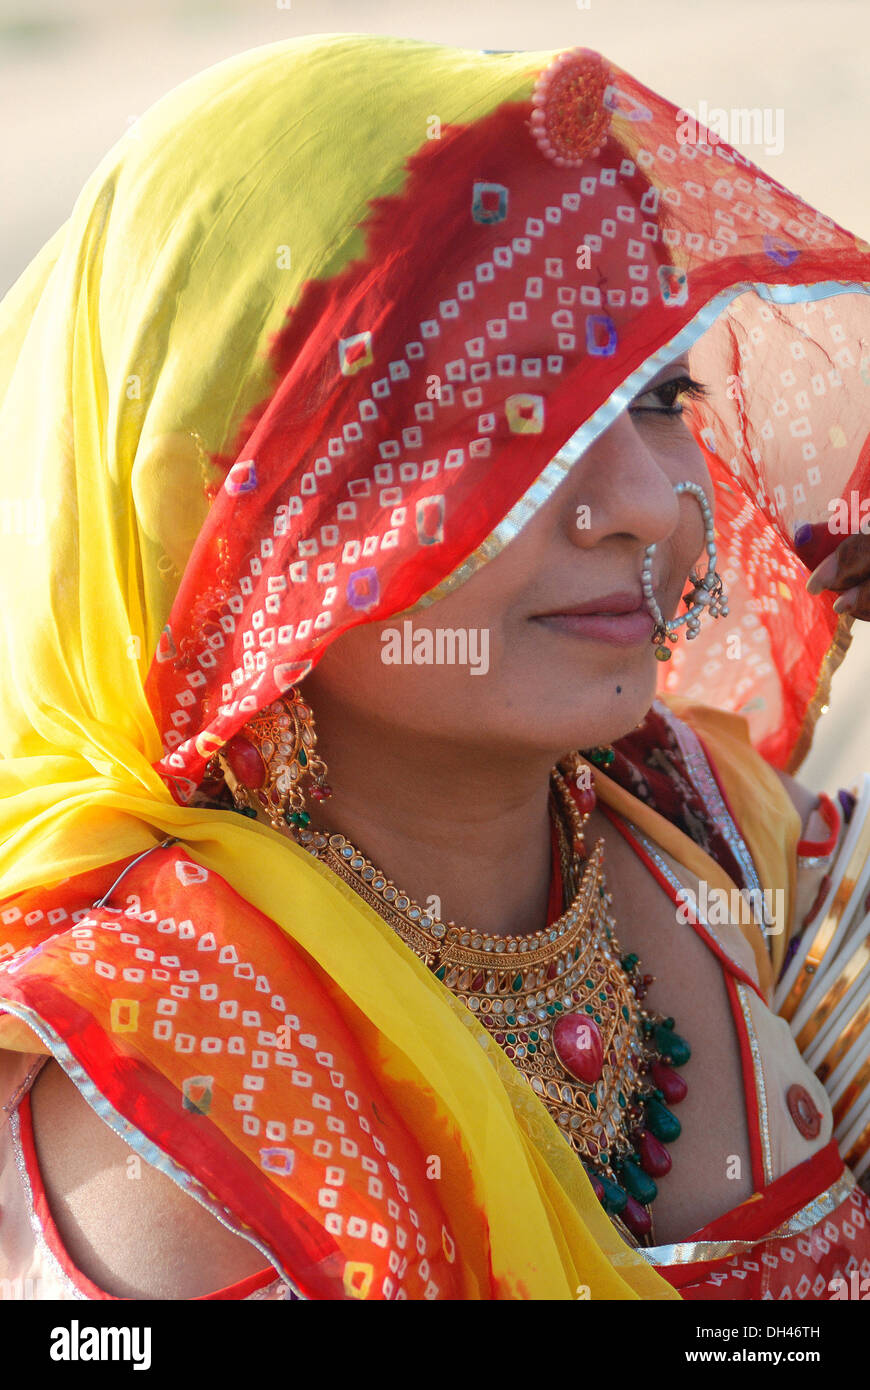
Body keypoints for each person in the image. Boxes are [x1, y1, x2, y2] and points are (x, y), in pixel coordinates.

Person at [1, 32, 869, 1302]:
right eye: (511, 420)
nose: (636, 503)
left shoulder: (706, 827)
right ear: (234, 528)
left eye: (655, 396)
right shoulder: (165, 1086)